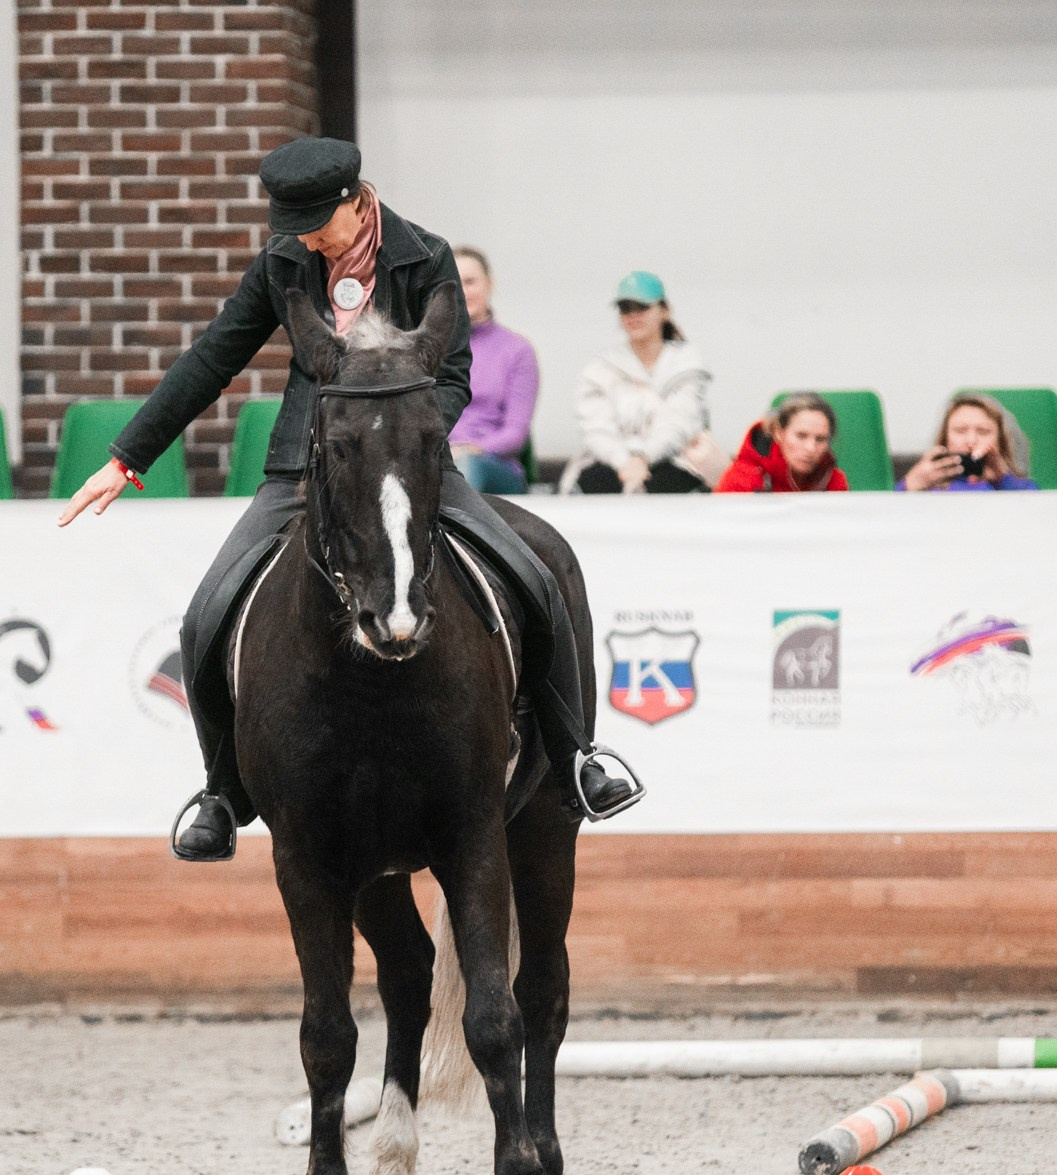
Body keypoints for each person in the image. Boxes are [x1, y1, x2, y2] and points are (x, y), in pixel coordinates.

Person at [54, 137, 639, 861]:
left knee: (538, 578)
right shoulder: (284, 261)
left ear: (355, 201)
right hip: (306, 462)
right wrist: (126, 457)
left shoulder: (425, 257)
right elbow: (214, 355)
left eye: (313, 224)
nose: (302, 239)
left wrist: (406, 440)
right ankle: (220, 791)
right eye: (290, 227)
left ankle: (576, 757)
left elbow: (453, 374)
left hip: (409, 463)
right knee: (206, 613)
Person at [562, 272, 724, 494]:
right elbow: (595, 428)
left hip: (675, 461)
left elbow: (679, 421)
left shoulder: (687, 364)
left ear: (664, 311)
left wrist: (643, 459)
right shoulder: (600, 369)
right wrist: (624, 462)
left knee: (670, 484)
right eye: (626, 308)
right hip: (612, 463)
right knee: (594, 482)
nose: (633, 315)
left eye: (642, 307)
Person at [448, 246, 537, 494]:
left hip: (495, 466)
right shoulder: (430, 348)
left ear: (490, 283)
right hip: (439, 462)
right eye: (455, 283)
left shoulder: (517, 350)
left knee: (464, 467)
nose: (463, 292)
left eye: (470, 282)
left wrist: (469, 450)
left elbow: (515, 434)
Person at [898, 394, 1038, 492]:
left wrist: (1003, 480)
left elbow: (1037, 511)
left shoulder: (1010, 485)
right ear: (945, 438)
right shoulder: (931, 488)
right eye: (960, 430)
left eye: (983, 431)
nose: (971, 441)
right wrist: (910, 485)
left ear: (1000, 441)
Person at [716, 393, 847, 493]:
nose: (811, 448)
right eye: (801, 436)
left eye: (820, 439)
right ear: (779, 432)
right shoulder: (741, 480)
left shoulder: (834, 482)